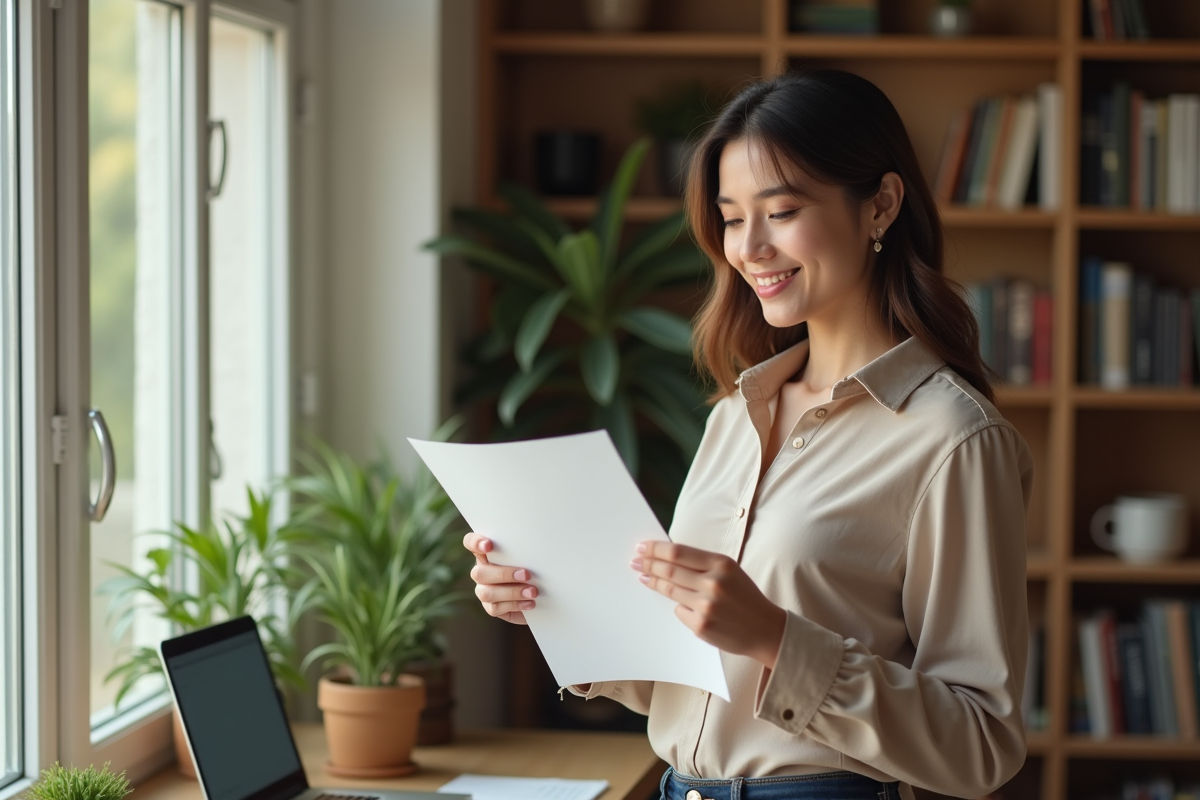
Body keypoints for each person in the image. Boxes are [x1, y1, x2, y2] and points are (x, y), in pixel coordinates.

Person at [464, 69, 1032, 800]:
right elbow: (692, 679)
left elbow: (981, 746)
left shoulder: (953, 439)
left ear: (881, 206)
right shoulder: (735, 414)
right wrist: (553, 599)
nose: (749, 247)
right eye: (732, 218)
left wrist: (778, 640)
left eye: (782, 210)